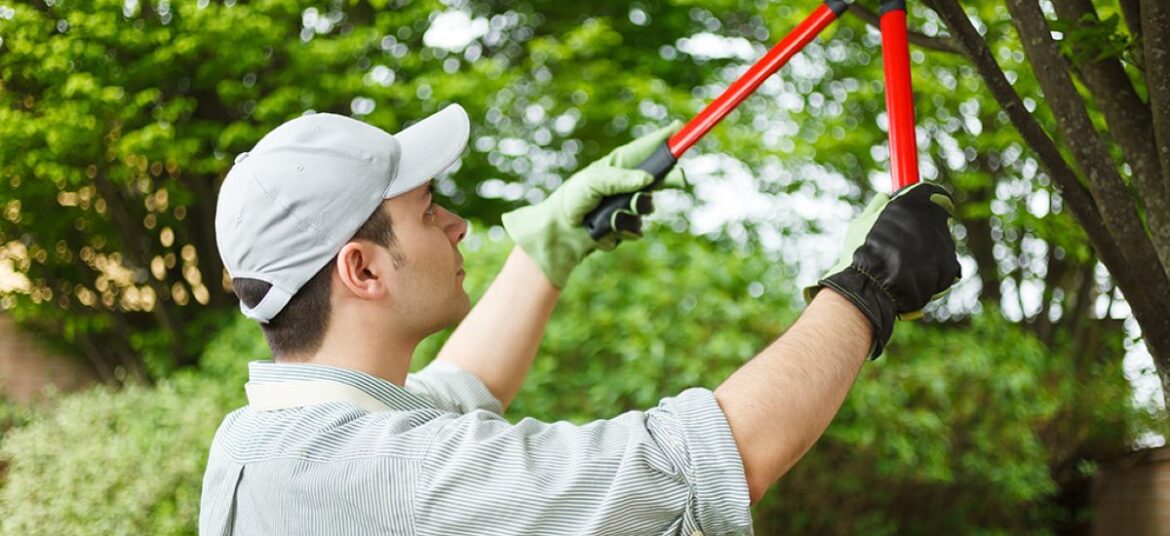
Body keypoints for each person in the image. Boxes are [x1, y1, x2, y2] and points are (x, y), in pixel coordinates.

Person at [200, 103, 960, 535]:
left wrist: (553, 245)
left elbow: (463, 389)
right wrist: (870, 286)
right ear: (362, 270)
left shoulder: (264, 441)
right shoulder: (392, 473)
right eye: (430, 213)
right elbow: (698, 465)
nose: (459, 225)